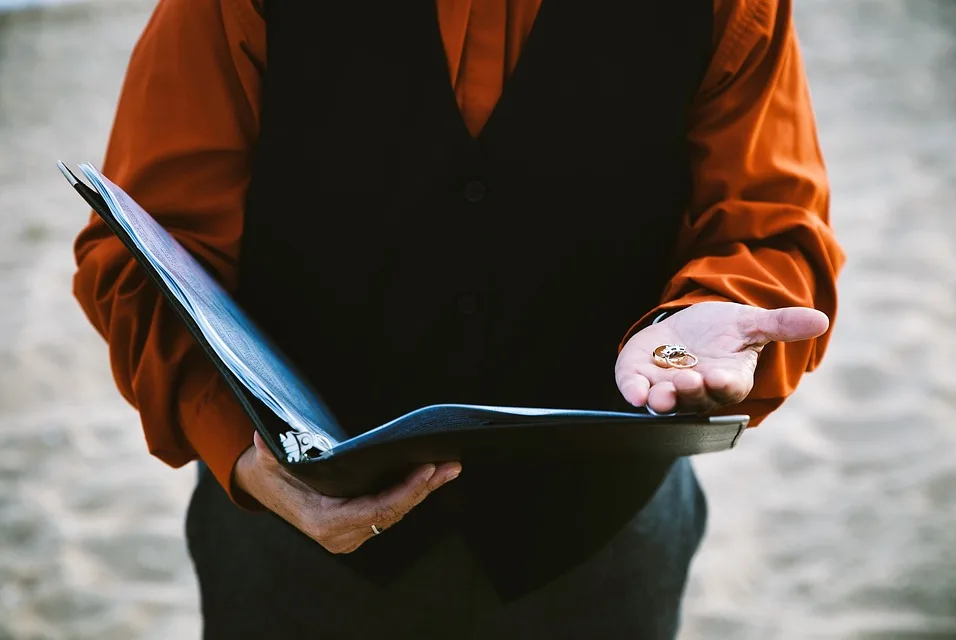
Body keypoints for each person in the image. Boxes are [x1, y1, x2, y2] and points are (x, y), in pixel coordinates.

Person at [71, 0, 845, 637]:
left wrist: (710, 312)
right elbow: (145, 252)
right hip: (292, 553)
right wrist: (246, 457)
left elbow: (770, 229)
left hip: (604, 548)